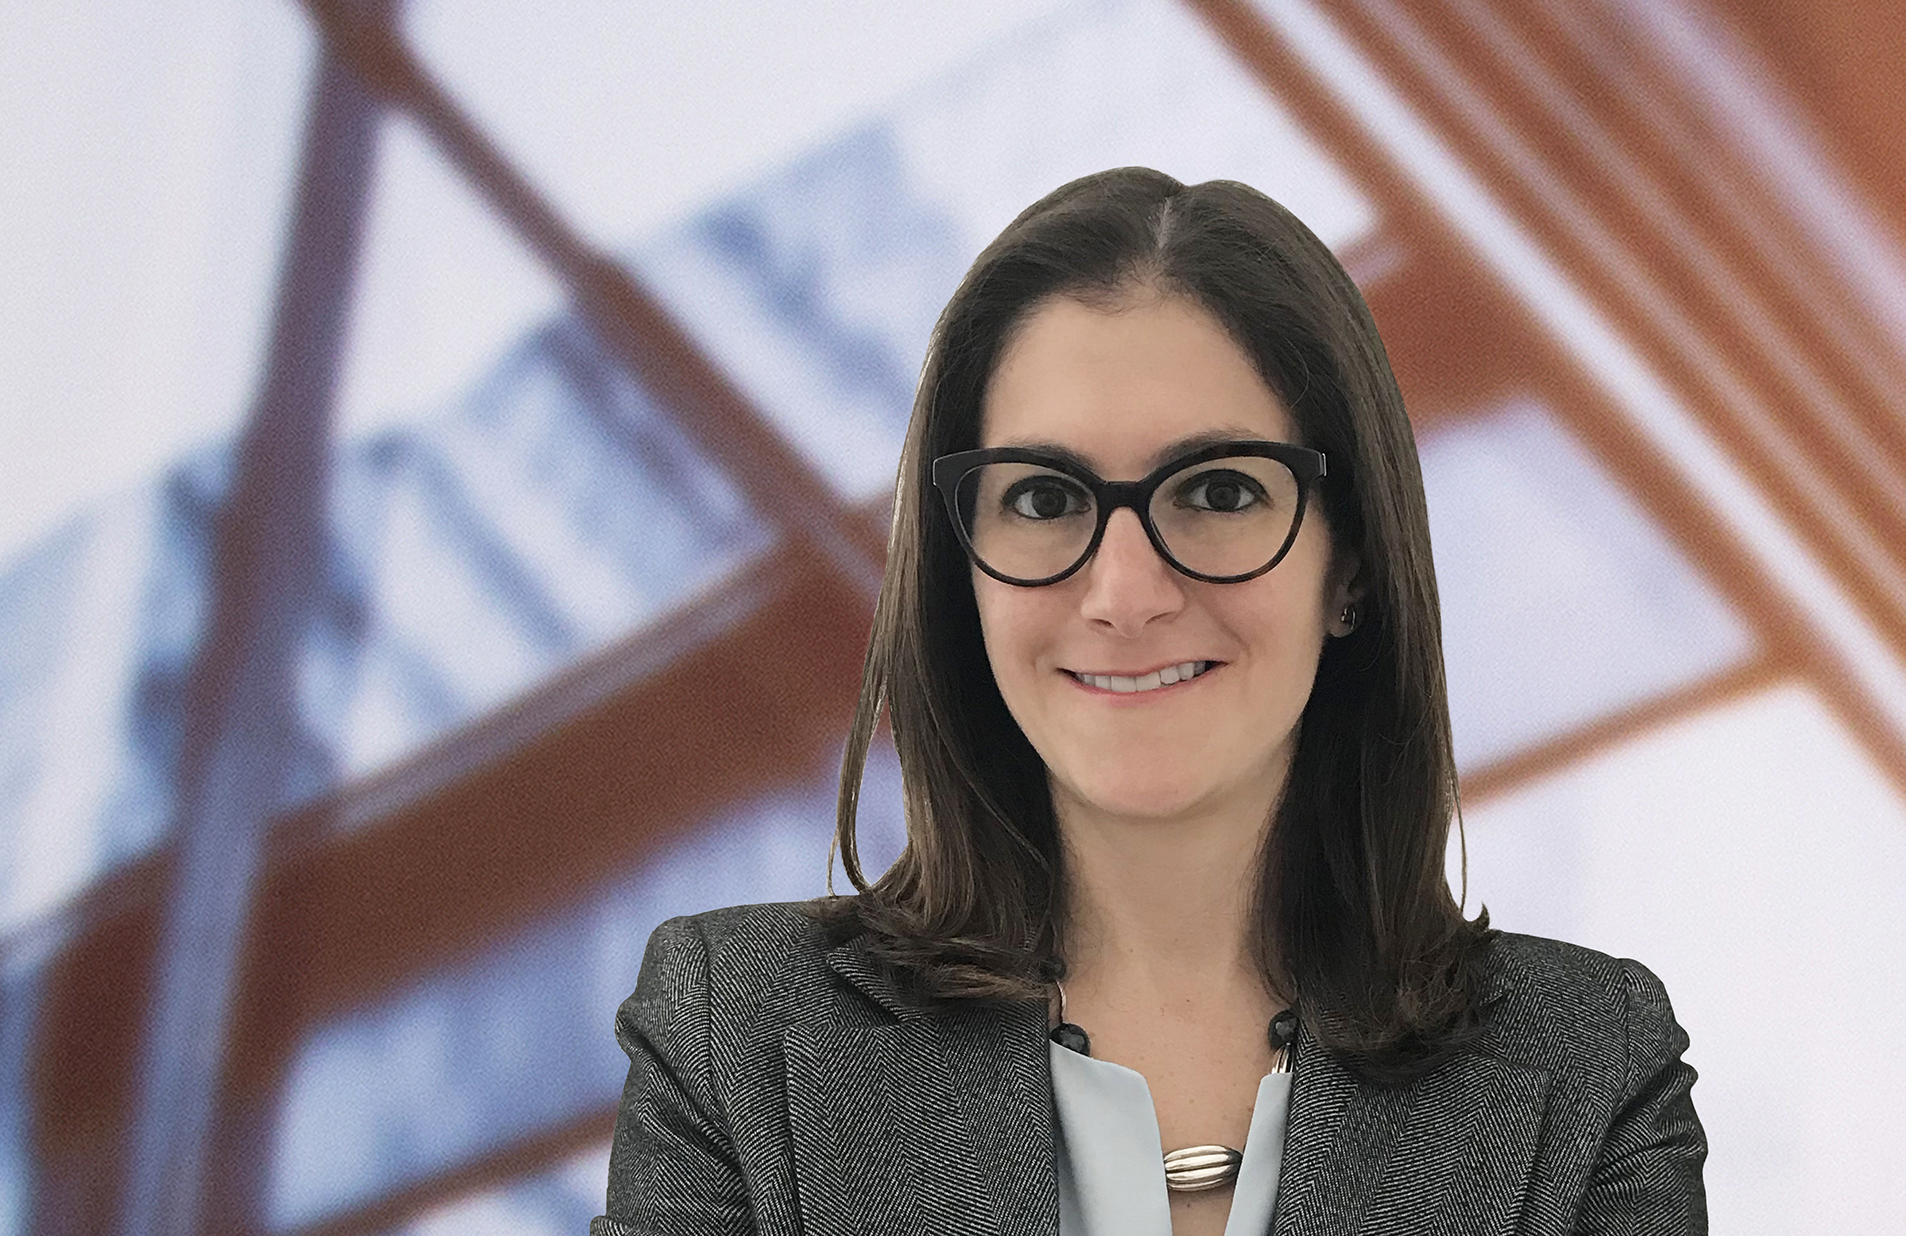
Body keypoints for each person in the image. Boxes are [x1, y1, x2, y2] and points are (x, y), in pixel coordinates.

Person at [591, 167, 1707, 1236]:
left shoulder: (1589, 1071)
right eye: (1043, 499)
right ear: (961, 569)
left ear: (1352, 565)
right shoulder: (733, 1040)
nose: (1124, 595)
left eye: (1217, 491)